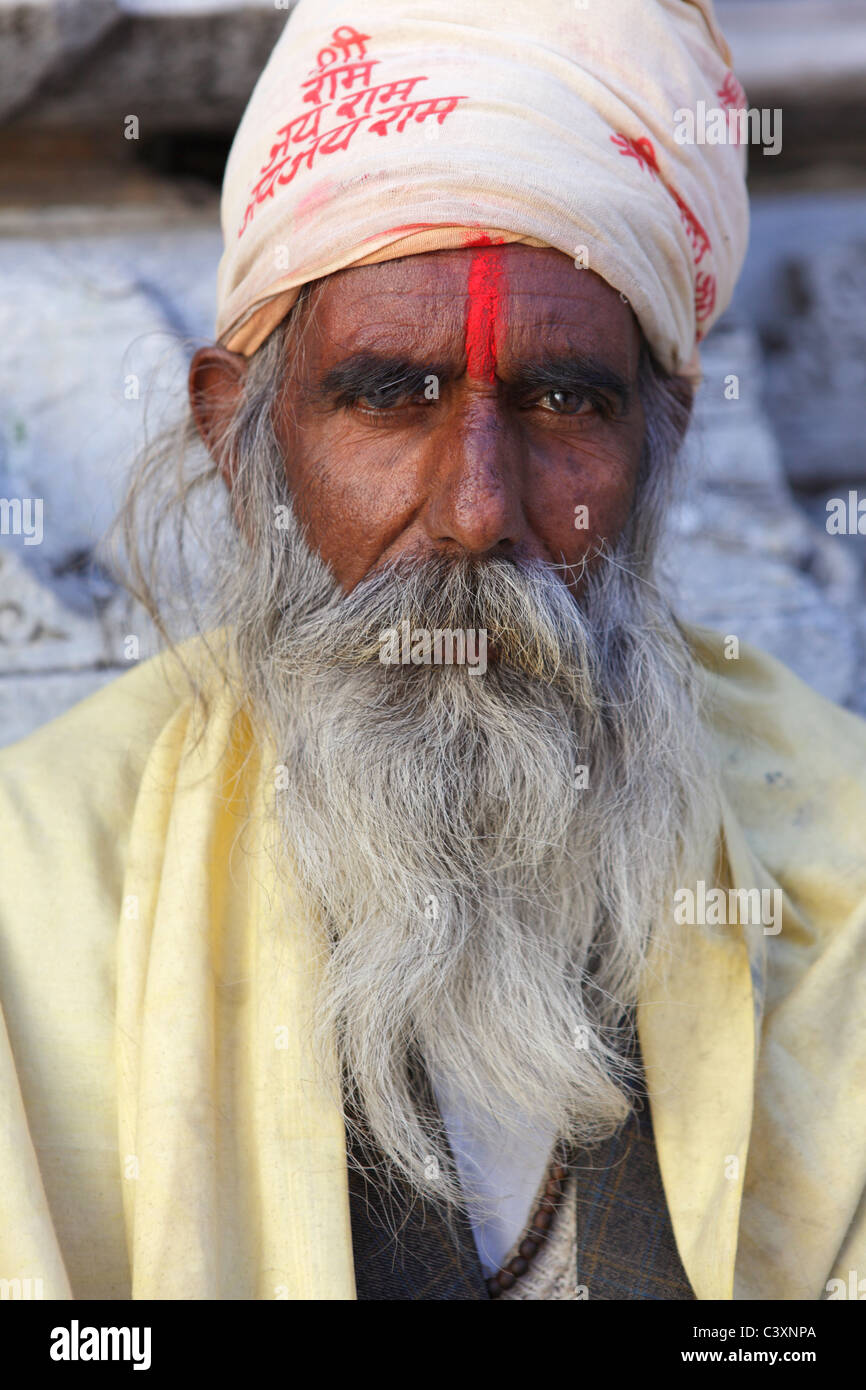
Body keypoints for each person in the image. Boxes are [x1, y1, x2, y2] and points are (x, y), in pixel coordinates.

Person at [1, 0, 864, 1302]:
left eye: (562, 398)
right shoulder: (32, 915)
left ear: (663, 443)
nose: (474, 509)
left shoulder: (837, 887)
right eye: (389, 393)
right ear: (242, 444)